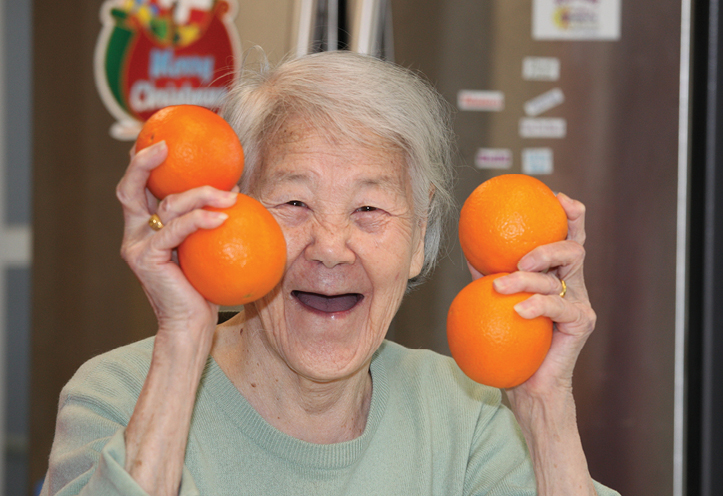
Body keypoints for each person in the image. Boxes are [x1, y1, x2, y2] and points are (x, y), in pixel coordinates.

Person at [41, 51, 619, 496]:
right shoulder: (119, 394)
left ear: (418, 239)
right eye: (294, 203)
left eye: (369, 209)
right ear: (226, 216)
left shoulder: (471, 414)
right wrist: (183, 342)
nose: (331, 248)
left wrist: (546, 412)